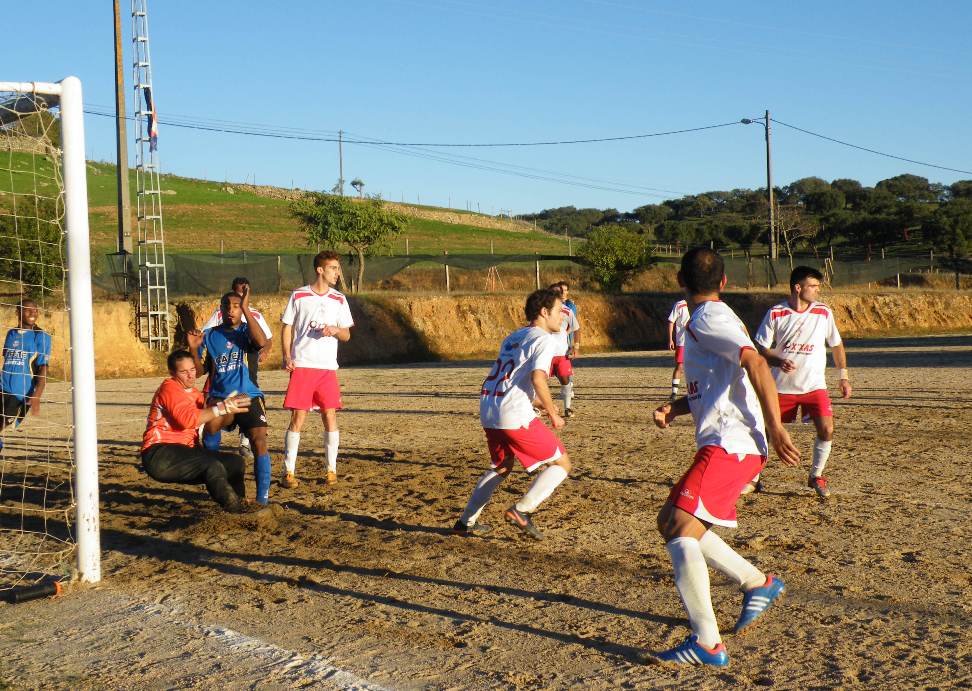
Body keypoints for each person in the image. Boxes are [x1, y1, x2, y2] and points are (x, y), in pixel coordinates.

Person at [649, 248, 800, 667]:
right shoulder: (711, 319)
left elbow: (755, 364)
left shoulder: (708, 318)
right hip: (729, 442)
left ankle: (707, 642)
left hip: (731, 444)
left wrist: (776, 426)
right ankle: (756, 582)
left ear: (680, 281)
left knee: (679, 527)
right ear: (724, 281)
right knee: (670, 521)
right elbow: (721, 384)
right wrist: (677, 408)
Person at [453, 288, 572, 540]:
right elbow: (538, 378)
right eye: (559, 311)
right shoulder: (544, 340)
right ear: (544, 312)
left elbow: (511, 379)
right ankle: (522, 510)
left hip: (489, 407)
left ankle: (465, 522)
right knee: (561, 463)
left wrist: (537, 402)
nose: (563, 316)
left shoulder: (513, 337)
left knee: (502, 466)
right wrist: (553, 413)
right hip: (512, 414)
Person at [752, 266, 852, 499]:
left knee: (827, 429)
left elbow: (836, 344)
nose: (818, 290)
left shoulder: (823, 312)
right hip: (780, 387)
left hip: (814, 386)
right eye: (813, 286)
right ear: (798, 288)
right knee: (767, 432)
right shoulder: (776, 313)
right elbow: (761, 348)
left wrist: (843, 376)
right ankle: (753, 477)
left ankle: (816, 475)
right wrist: (778, 361)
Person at [141, 349, 253, 512]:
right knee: (212, 466)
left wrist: (229, 409)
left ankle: (240, 503)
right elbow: (188, 420)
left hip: (186, 450)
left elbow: (212, 425)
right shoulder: (169, 388)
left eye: (192, 369)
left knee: (235, 463)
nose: (190, 375)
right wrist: (222, 408)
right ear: (172, 373)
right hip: (159, 453)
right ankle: (235, 510)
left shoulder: (195, 395)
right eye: (184, 372)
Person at [189, 286, 272, 504]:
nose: (231, 310)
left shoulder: (246, 331)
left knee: (259, 440)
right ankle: (217, 487)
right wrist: (193, 349)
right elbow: (198, 371)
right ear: (221, 309)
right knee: (210, 428)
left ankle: (262, 500)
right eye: (227, 306)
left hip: (248, 396)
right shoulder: (210, 335)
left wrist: (247, 309)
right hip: (221, 398)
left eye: (236, 306)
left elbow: (261, 342)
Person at [280, 251, 354, 489]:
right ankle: (288, 472)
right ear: (320, 270)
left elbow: (347, 334)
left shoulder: (339, 299)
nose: (337, 273)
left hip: (327, 368)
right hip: (303, 365)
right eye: (333, 268)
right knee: (298, 418)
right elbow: (287, 327)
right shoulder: (299, 295)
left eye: (338, 268)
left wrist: (336, 330)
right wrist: (287, 355)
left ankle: (331, 470)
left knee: (329, 416)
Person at [201, 277, 273, 461]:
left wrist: (265, 350)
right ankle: (211, 465)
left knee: (257, 435)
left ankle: (244, 443)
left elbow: (265, 339)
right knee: (211, 426)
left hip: (248, 387)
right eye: (239, 292)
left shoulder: (252, 318)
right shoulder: (216, 322)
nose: (232, 308)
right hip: (222, 389)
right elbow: (206, 337)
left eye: (244, 292)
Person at [0, 299, 51, 449]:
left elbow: (43, 367)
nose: (33, 313)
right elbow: (6, 360)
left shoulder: (41, 336)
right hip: (1, 388)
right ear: (18, 312)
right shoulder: (11, 333)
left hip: (19, 395)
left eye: (35, 310)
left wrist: (37, 395)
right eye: (28, 310)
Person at [548, 281, 580, 418]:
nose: (559, 294)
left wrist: (575, 347)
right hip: (545, 353)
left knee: (565, 380)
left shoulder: (567, 311)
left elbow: (576, 328)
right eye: (554, 292)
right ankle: (536, 407)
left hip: (561, 353)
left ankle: (567, 408)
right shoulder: (543, 310)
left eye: (560, 292)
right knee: (538, 380)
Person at [666, 298, 690, 401]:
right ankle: (674, 392)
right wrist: (670, 339)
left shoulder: (702, 304)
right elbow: (671, 321)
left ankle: (696, 392)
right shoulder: (680, 305)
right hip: (682, 342)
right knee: (680, 366)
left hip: (697, 342)